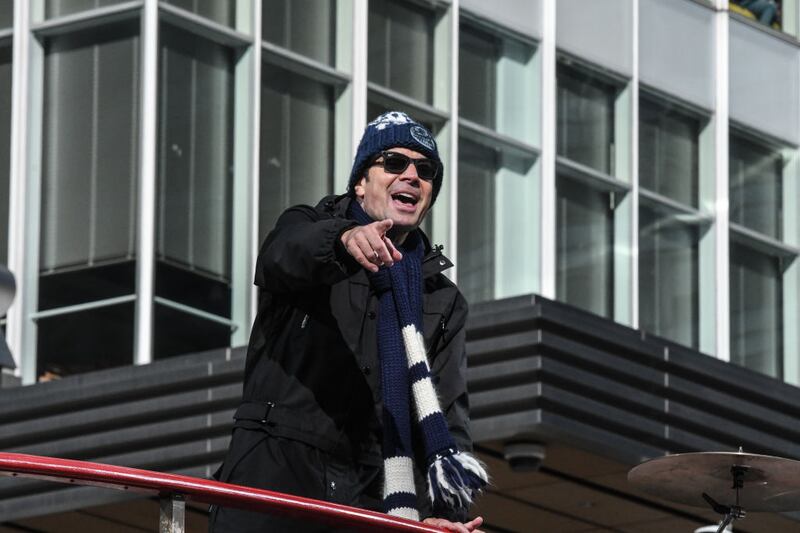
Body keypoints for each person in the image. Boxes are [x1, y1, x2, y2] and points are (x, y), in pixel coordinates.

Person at [209, 111, 488, 533]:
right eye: (394, 163)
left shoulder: (441, 298)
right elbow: (280, 257)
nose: (412, 175)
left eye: (425, 170)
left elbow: (447, 417)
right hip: (279, 475)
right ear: (361, 181)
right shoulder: (308, 228)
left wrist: (445, 518)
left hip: (371, 491)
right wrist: (342, 242)